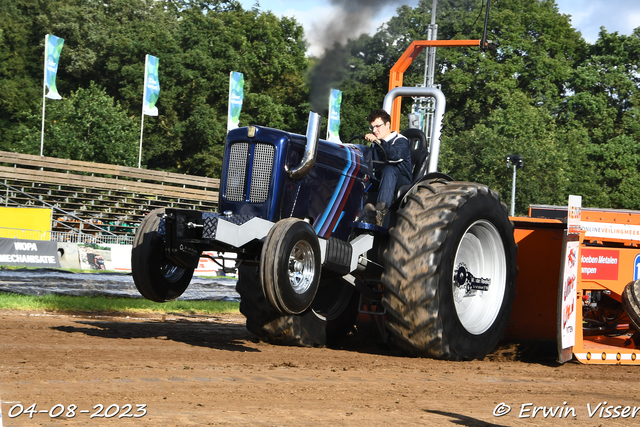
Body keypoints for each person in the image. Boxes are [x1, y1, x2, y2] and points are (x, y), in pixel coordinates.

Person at [363, 109, 412, 226]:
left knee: (389, 169)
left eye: (377, 126)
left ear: (387, 124)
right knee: (362, 175)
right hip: (382, 179)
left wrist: (379, 143)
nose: (374, 130)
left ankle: (380, 213)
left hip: (400, 181)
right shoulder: (375, 144)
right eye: (372, 127)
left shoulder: (401, 141)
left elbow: (395, 157)